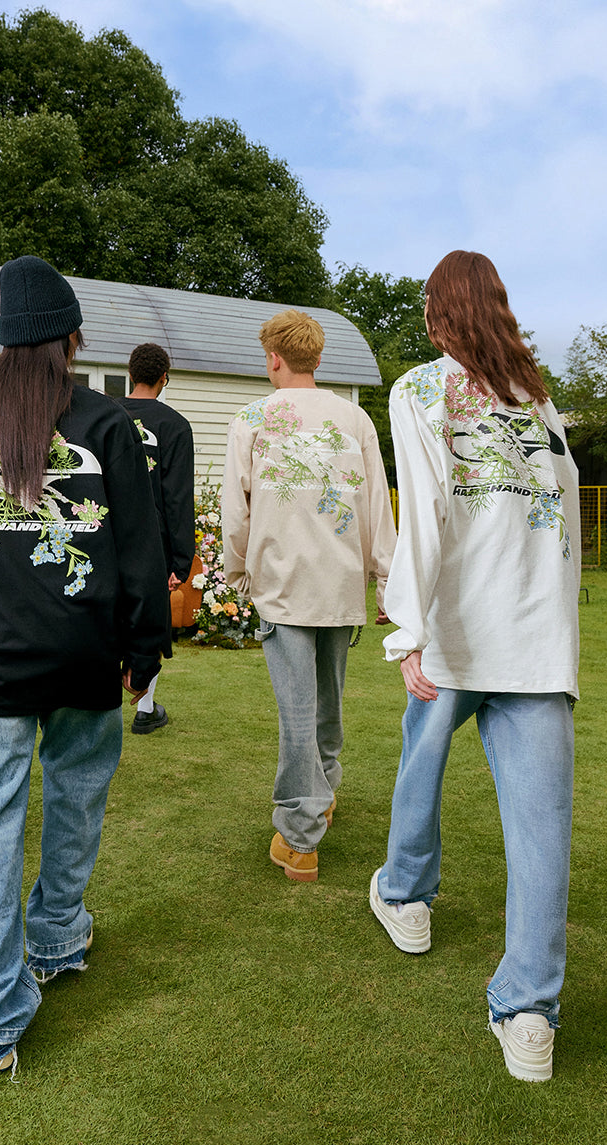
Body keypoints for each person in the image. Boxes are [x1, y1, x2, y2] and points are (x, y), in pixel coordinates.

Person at [0, 256, 168, 1090]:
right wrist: (143, 651)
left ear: (6, 335)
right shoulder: (104, 420)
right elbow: (139, 552)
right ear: (70, 336)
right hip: (85, 655)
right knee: (76, 801)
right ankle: (55, 938)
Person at [370, 250, 580, 1083]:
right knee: (543, 827)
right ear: (499, 308)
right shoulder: (538, 398)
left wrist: (407, 630)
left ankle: (406, 895)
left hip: (460, 632)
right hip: (536, 640)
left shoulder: (419, 390)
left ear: (436, 312)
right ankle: (530, 1011)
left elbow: (423, 513)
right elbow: (562, 523)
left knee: (421, 761)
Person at [222, 309, 396, 882]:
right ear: (317, 358)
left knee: (298, 712)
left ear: (274, 357)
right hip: (341, 584)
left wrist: (237, 573)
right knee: (326, 703)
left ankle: (300, 837)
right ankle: (323, 793)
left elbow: (236, 512)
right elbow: (377, 506)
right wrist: (386, 580)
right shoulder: (355, 418)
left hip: (284, 584)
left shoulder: (252, 418)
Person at [119, 342, 196, 733]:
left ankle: (105, 705)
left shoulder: (105, 415)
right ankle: (144, 710)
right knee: (148, 622)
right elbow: (178, 496)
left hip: (104, 536)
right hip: (153, 544)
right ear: (164, 377)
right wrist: (181, 560)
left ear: (130, 374)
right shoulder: (175, 425)